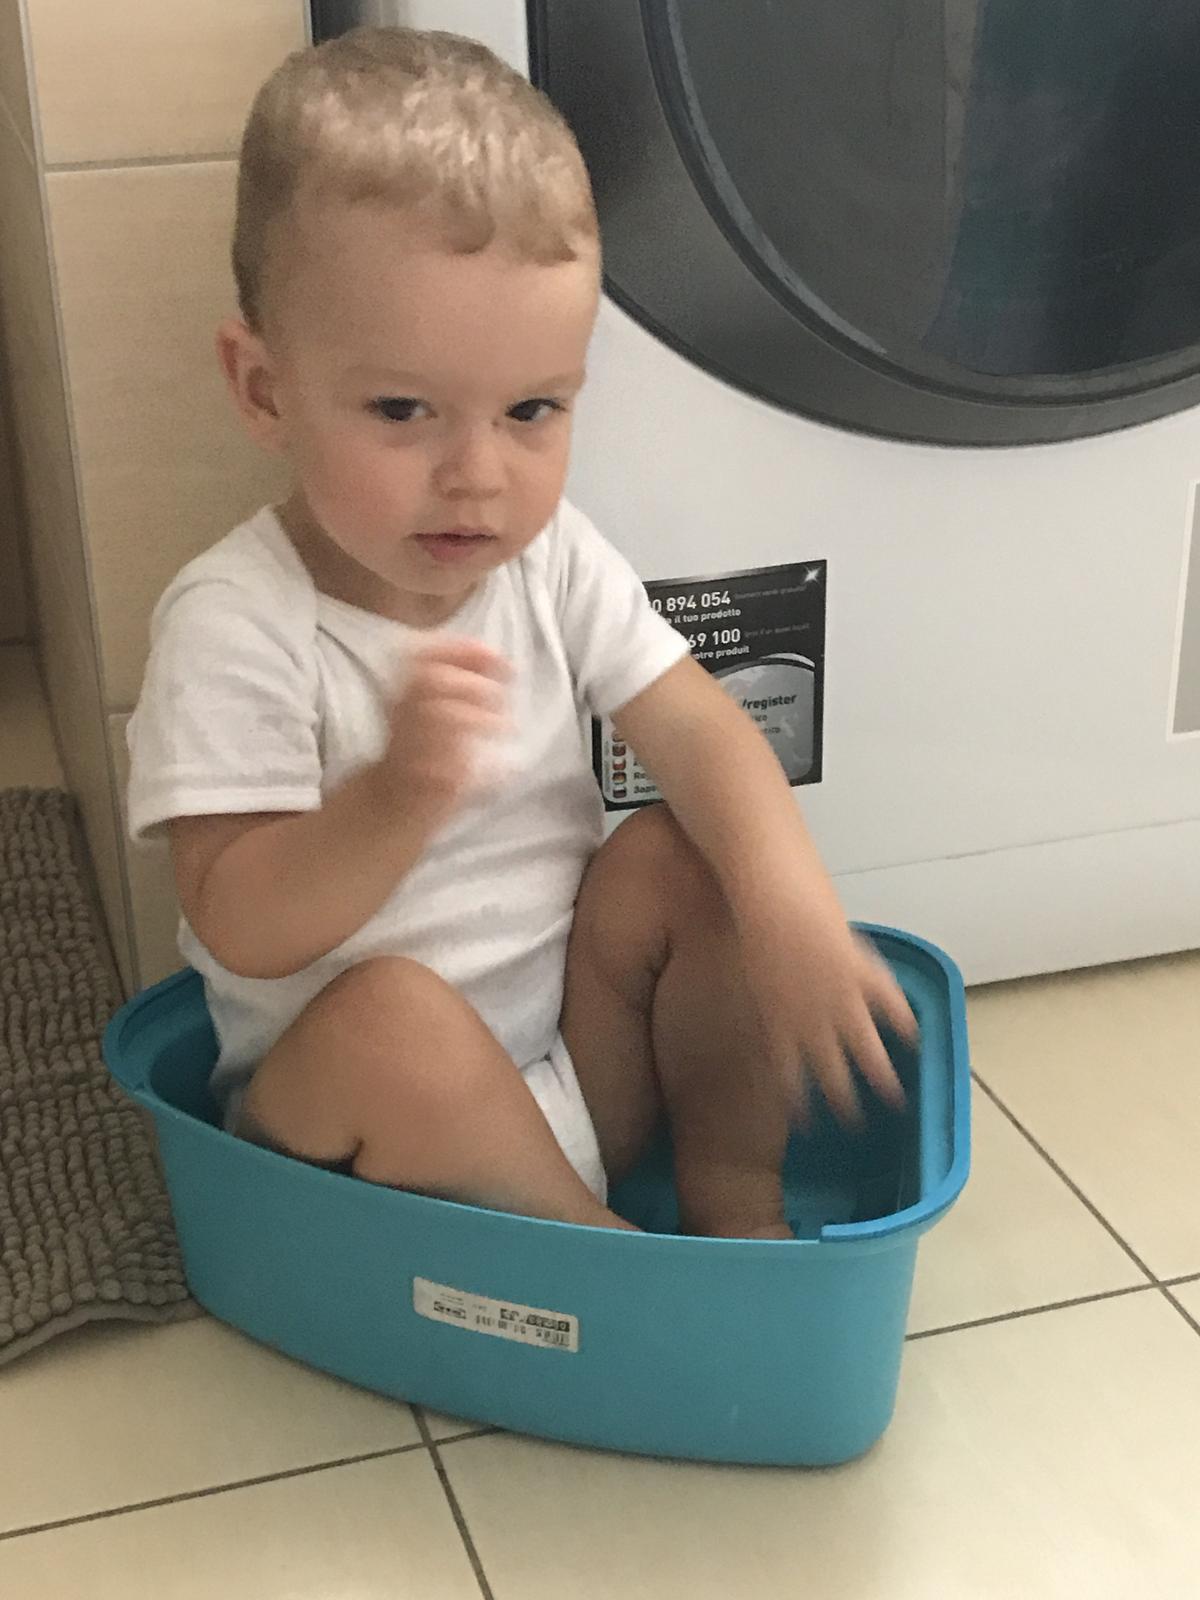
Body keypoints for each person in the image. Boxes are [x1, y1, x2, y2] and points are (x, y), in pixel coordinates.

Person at [126, 26, 915, 1240]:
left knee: (684, 850)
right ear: (264, 389)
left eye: (533, 409)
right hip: (368, 1139)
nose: (477, 475)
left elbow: (698, 728)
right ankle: (605, 1261)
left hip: (573, 1071)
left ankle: (734, 1195)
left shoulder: (547, 560)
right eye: (404, 409)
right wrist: (394, 799)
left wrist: (786, 904)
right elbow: (238, 918)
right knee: (390, 1017)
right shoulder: (236, 621)